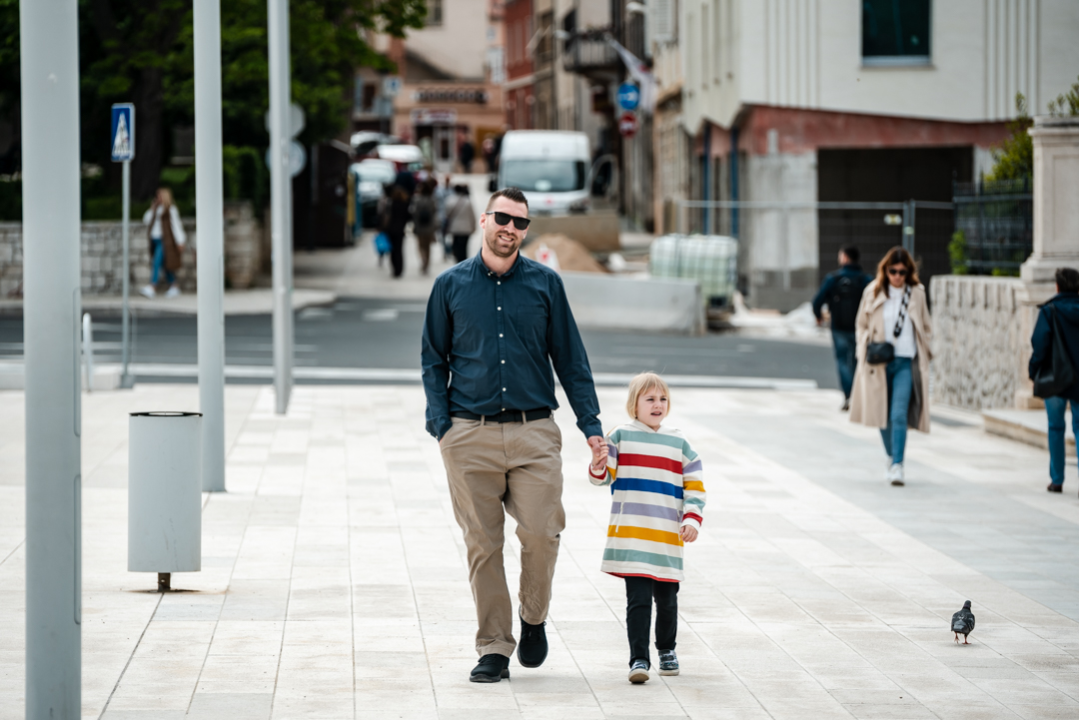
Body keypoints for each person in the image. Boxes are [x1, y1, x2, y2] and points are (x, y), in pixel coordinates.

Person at [421, 187, 604, 683]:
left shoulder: (546, 285)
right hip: (468, 435)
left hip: (534, 433)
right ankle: (495, 648)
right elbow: (433, 360)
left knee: (543, 533)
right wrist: (442, 426)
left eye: (520, 223)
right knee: (483, 545)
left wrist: (592, 429)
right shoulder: (450, 285)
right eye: (502, 218)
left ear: (526, 230)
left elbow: (571, 360)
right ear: (483, 220)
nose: (510, 228)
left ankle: (532, 617)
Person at [588, 373, 705, 685]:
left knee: (667, 599)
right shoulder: (621, 437)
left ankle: (667, 649)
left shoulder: (679, 442)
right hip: (633, 534)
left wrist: (691, 519)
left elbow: (695, 487)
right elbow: (602, 477)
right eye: (650, 399)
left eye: (662, 399)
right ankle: (638, 657)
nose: (658, 405)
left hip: (666, 536)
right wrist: (598, 462)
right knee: (638, 600)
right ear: (633, 405)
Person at [849, 246, 933, 487]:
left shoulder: (917, 293)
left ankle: (898, 464)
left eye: (902, 272)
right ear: (885, 270)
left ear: (908, 272)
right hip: (879, 363)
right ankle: (890, 456)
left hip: (905, 361)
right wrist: (865, 346)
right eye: (892, 271)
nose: (897, 276)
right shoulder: (872, 291)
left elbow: (926, 325)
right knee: (881, 416)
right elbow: (861, 325)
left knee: (898, 414)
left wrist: (924, 346)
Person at [1029, 267, 1079, 493]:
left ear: (1057, 286)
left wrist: (1034, 371)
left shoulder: (1049, 311)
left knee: (1056, 427)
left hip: (1056, 377)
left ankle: (1057, 479)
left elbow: (1039, 345)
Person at [812, 246, 872, 410]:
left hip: (838, 326)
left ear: (845, 258)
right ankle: (859, 395)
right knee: (858, 359)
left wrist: (818, 316)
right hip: (860, 327)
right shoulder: (865, 280)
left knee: (842, 360)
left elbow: (817, 300)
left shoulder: (833, 278)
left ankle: (848, 395)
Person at [139, 187, 186, 298]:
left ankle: (152, 287)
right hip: (154, 240)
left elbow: (176, 226)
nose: (157, 198)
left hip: (165, 241)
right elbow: (145, 220)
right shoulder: (156, 209)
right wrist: (152, 209)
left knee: (156, 262)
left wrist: (181, 241)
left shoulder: (171, 210)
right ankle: (174, 286)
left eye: (160, 196)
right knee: (165, 265)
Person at [380, 182, 412, 278]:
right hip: (400, 230)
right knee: (399, 250)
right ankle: (399, 269)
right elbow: (409, 217)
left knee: (392, 251)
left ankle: (394, 269)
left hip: (390, 229)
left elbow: (385, 216)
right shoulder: (405, 204)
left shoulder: (391, 203)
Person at [410, 179, 438, 275]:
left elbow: (413, 212)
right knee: (428, 246)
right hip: (429, 226)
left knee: (420, 246)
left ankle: (423, 259)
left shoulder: (417, 199)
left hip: (419, 226)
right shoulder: (432, 200)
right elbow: (435, 212)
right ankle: (427, 264)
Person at [445, 184, 476, 263]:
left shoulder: (450, 200)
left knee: (456, 246)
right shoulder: (467, 201)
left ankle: (457, 262)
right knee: (464, 247)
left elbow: (447, 214)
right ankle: (464, 262)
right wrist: (473, 227)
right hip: (466, 228)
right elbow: (472, 216)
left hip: (454, 228)